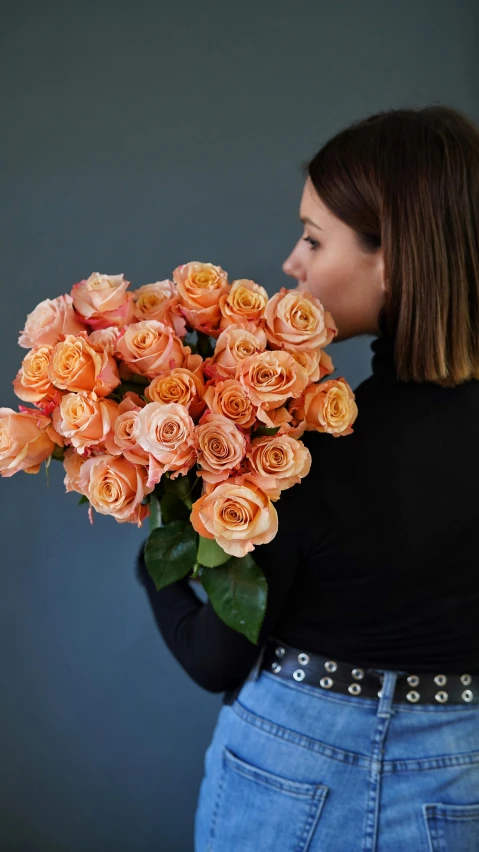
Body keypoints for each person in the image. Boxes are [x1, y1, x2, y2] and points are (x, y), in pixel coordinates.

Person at [135, 105, 479, 851]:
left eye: (314, 239)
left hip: (291, 779)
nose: (293, 262)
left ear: (393, 259)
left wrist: (153, 565)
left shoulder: (305, 453)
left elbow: (212, 655)